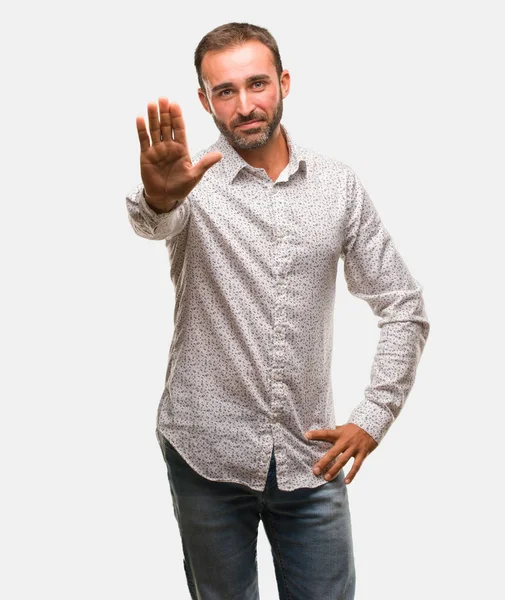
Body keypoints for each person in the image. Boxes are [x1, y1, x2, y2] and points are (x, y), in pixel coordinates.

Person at [125, 21, 430, 600]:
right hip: (204, 451)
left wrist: (374, 414)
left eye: (257, 84)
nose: (245, 105)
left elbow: (402, 305)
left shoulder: (338, 186)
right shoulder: (190, 182)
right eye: (225, 91)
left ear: (284, 82)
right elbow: (155, 220)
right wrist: (162, 196)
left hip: (308, 458)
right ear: (204, 100)